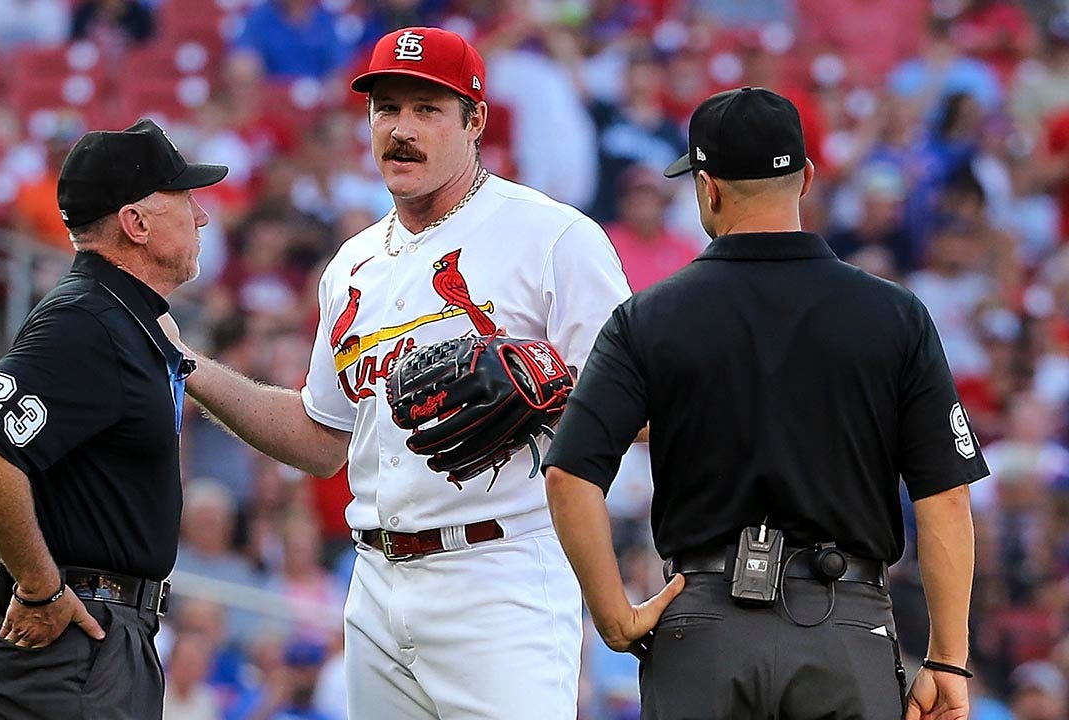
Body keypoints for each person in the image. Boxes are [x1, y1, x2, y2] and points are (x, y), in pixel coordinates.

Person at [164, 26, 673, 719]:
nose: (401, 129)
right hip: (373, 579)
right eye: (387, 108)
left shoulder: (554, 237)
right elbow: (322, 438)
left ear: (475, 121)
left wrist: (551, 392)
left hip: (500, 577)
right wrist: (188, 364)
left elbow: (650, 412)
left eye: (427, 109)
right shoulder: (350, 265)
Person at [543, 88, 988, 720]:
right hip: (846, 628)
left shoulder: (649, 317)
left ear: (709, 188)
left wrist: (615, 614)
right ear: (805, 178)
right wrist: (946, 658)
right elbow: (945, 495)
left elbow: (568, 473)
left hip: (701, 628)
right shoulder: (896, 315)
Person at [0, 118, 226, 719]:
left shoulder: (115, 317)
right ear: (137, 223)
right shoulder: (89, 320)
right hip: (75, 640)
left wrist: (15, 569)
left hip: (93, 634)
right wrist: (34, 583)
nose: (201, 217)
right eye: (186, 199)